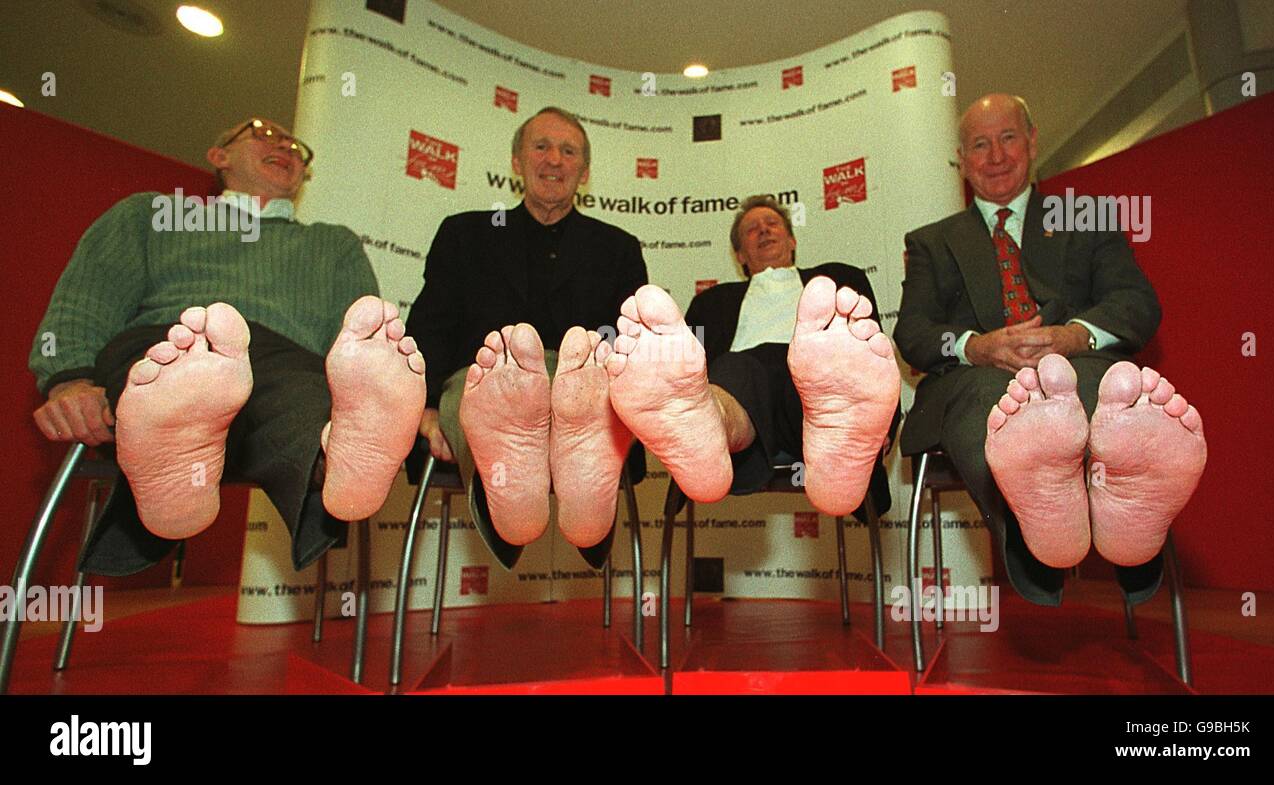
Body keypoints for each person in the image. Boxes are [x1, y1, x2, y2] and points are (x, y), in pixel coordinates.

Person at [28, 117, 425, 577]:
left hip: (285, 366)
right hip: (169, 343)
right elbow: (89, 295)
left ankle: (334, 457)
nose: (286, 147)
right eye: (262, 132)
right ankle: (223, 455)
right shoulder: (150, 214)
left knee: (303, 392)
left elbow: (358, 342)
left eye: (296, 146)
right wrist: (68, 378)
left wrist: (359, 387)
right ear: (219, 156)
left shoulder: (333, 244)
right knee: (181, 368)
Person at [895, 94, 1207, 606]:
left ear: (1033, 141)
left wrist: (1075, 334)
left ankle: (1127, 528)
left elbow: (1136, 301)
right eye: (979, 144)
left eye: (1008, 137)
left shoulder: (1083, 216)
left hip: (1081, 365)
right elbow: (913, 331)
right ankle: (1035, 531)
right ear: (962, 159)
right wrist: (977, 345)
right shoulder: (932, 241)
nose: (995, 155)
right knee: (990, 401)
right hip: (975, 381)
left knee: (1100, 389)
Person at [405, 107, 647, 569]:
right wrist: (426, 408)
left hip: (584, 384)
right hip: (483, 378)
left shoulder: (617, 248)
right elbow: (432, 323)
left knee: (588, 392)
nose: (554, 159)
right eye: (541, 146)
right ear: (516, 161)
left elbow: (630, 343)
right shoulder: (464, 234)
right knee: (485, 392)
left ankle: (569, 474)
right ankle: (526, 481)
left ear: (585, 171)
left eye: (568, 150)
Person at [601, 197, 901, 521]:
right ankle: (710, 427)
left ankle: (841, 445)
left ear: (792, 240)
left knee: (803, 371)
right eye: (752, 230)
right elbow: (689, 374)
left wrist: (886, 423)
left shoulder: (840, 280)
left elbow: (872, 356)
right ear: (740, 255)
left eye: (772, 224)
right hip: (744, 404)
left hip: (810, 398)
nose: (764, 231)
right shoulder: (711, 302)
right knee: (738, 366)